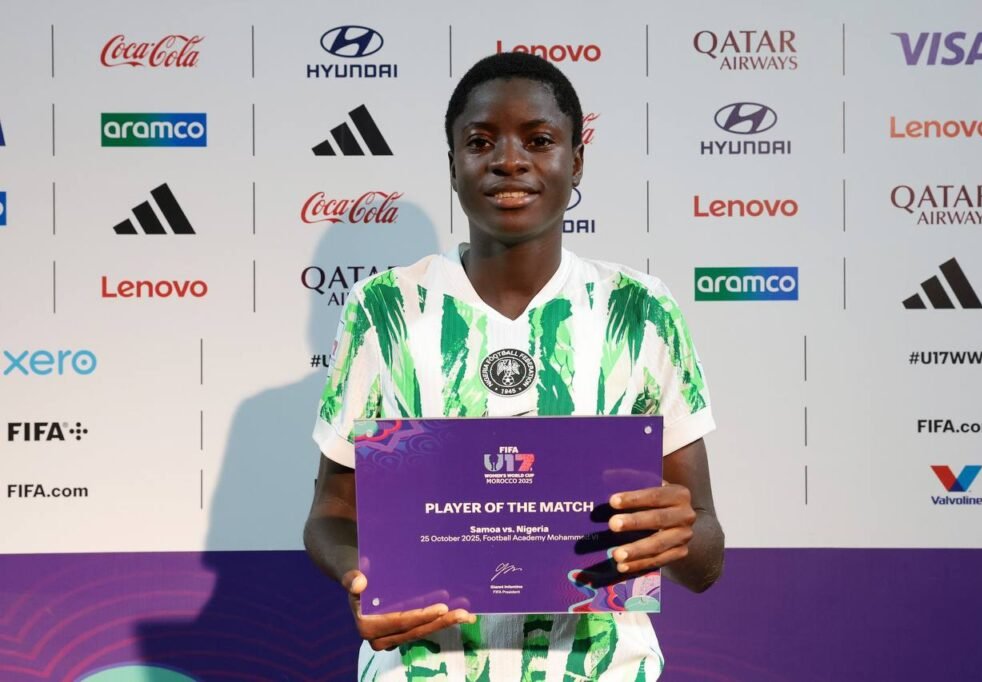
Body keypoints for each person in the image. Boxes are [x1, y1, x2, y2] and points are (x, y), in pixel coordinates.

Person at [305, 52, 724, 680]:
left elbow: (705, 555)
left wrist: (676, 535)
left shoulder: (640, 309)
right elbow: (332, 514)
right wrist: (356, 577)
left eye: (539, 140)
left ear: (576, 160)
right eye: (480, 141)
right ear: (453, 164)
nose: (509, 160)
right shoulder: (384, 307)